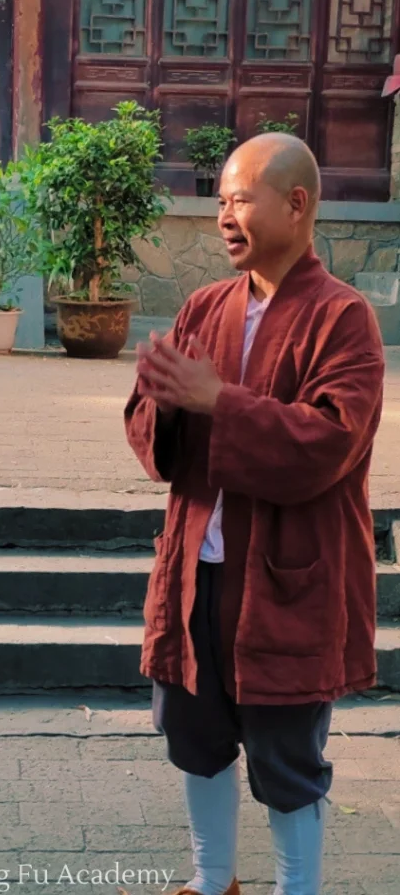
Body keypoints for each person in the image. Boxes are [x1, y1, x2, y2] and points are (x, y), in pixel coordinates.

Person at [124, 134, 384, 895]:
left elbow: (330, 442)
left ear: (295, 204)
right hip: (195, 571)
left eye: (239, 199)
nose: (223, 218)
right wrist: (162, 407)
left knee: (284, 753)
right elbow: (150, 435)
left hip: (286, 578)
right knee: (193, 734)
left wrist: (216, 401)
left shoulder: (343, 318)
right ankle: (213, 883)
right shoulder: (205, 305)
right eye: (220, 203)